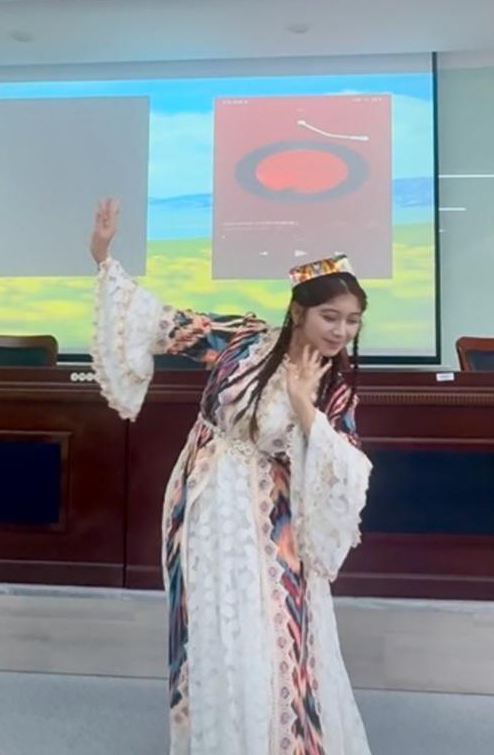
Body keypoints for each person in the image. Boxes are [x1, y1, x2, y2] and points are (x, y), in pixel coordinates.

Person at [89, 198, 373, 755]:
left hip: (275, 524)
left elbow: (346, 469)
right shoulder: (244, 340)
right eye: (330, 316)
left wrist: (304, 405)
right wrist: (103, 255)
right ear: (299, 312)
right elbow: (162, 323)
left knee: (276, 631)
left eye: (352, 320)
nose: (341, 330)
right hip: (204, 505)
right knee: (214, 628)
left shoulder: (335, 387)